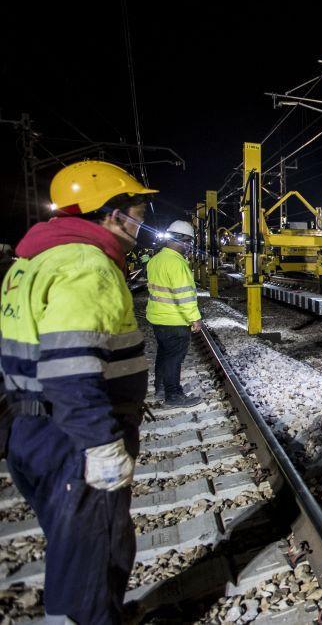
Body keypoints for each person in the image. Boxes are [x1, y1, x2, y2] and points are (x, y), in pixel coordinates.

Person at [0, 160, 156, 624]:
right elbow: (70, 370)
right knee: (92, 557)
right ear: (111, 212)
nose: (141, 221)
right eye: (138, 211)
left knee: (74, 548)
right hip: (71, 438)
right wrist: (102, 444)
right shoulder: (88, 264)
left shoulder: (30, 264)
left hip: (32, 430)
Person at [145, 220, 203, 408]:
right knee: (174, 358)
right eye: (189, 243)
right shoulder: (177, 264)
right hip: (174, 320)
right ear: (184, 241)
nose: (189, 248)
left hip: (157, 318)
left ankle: (160, 388)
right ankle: (173, 395)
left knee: (163, 354)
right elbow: (185, 296)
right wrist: (194, 318)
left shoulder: (156, 260)